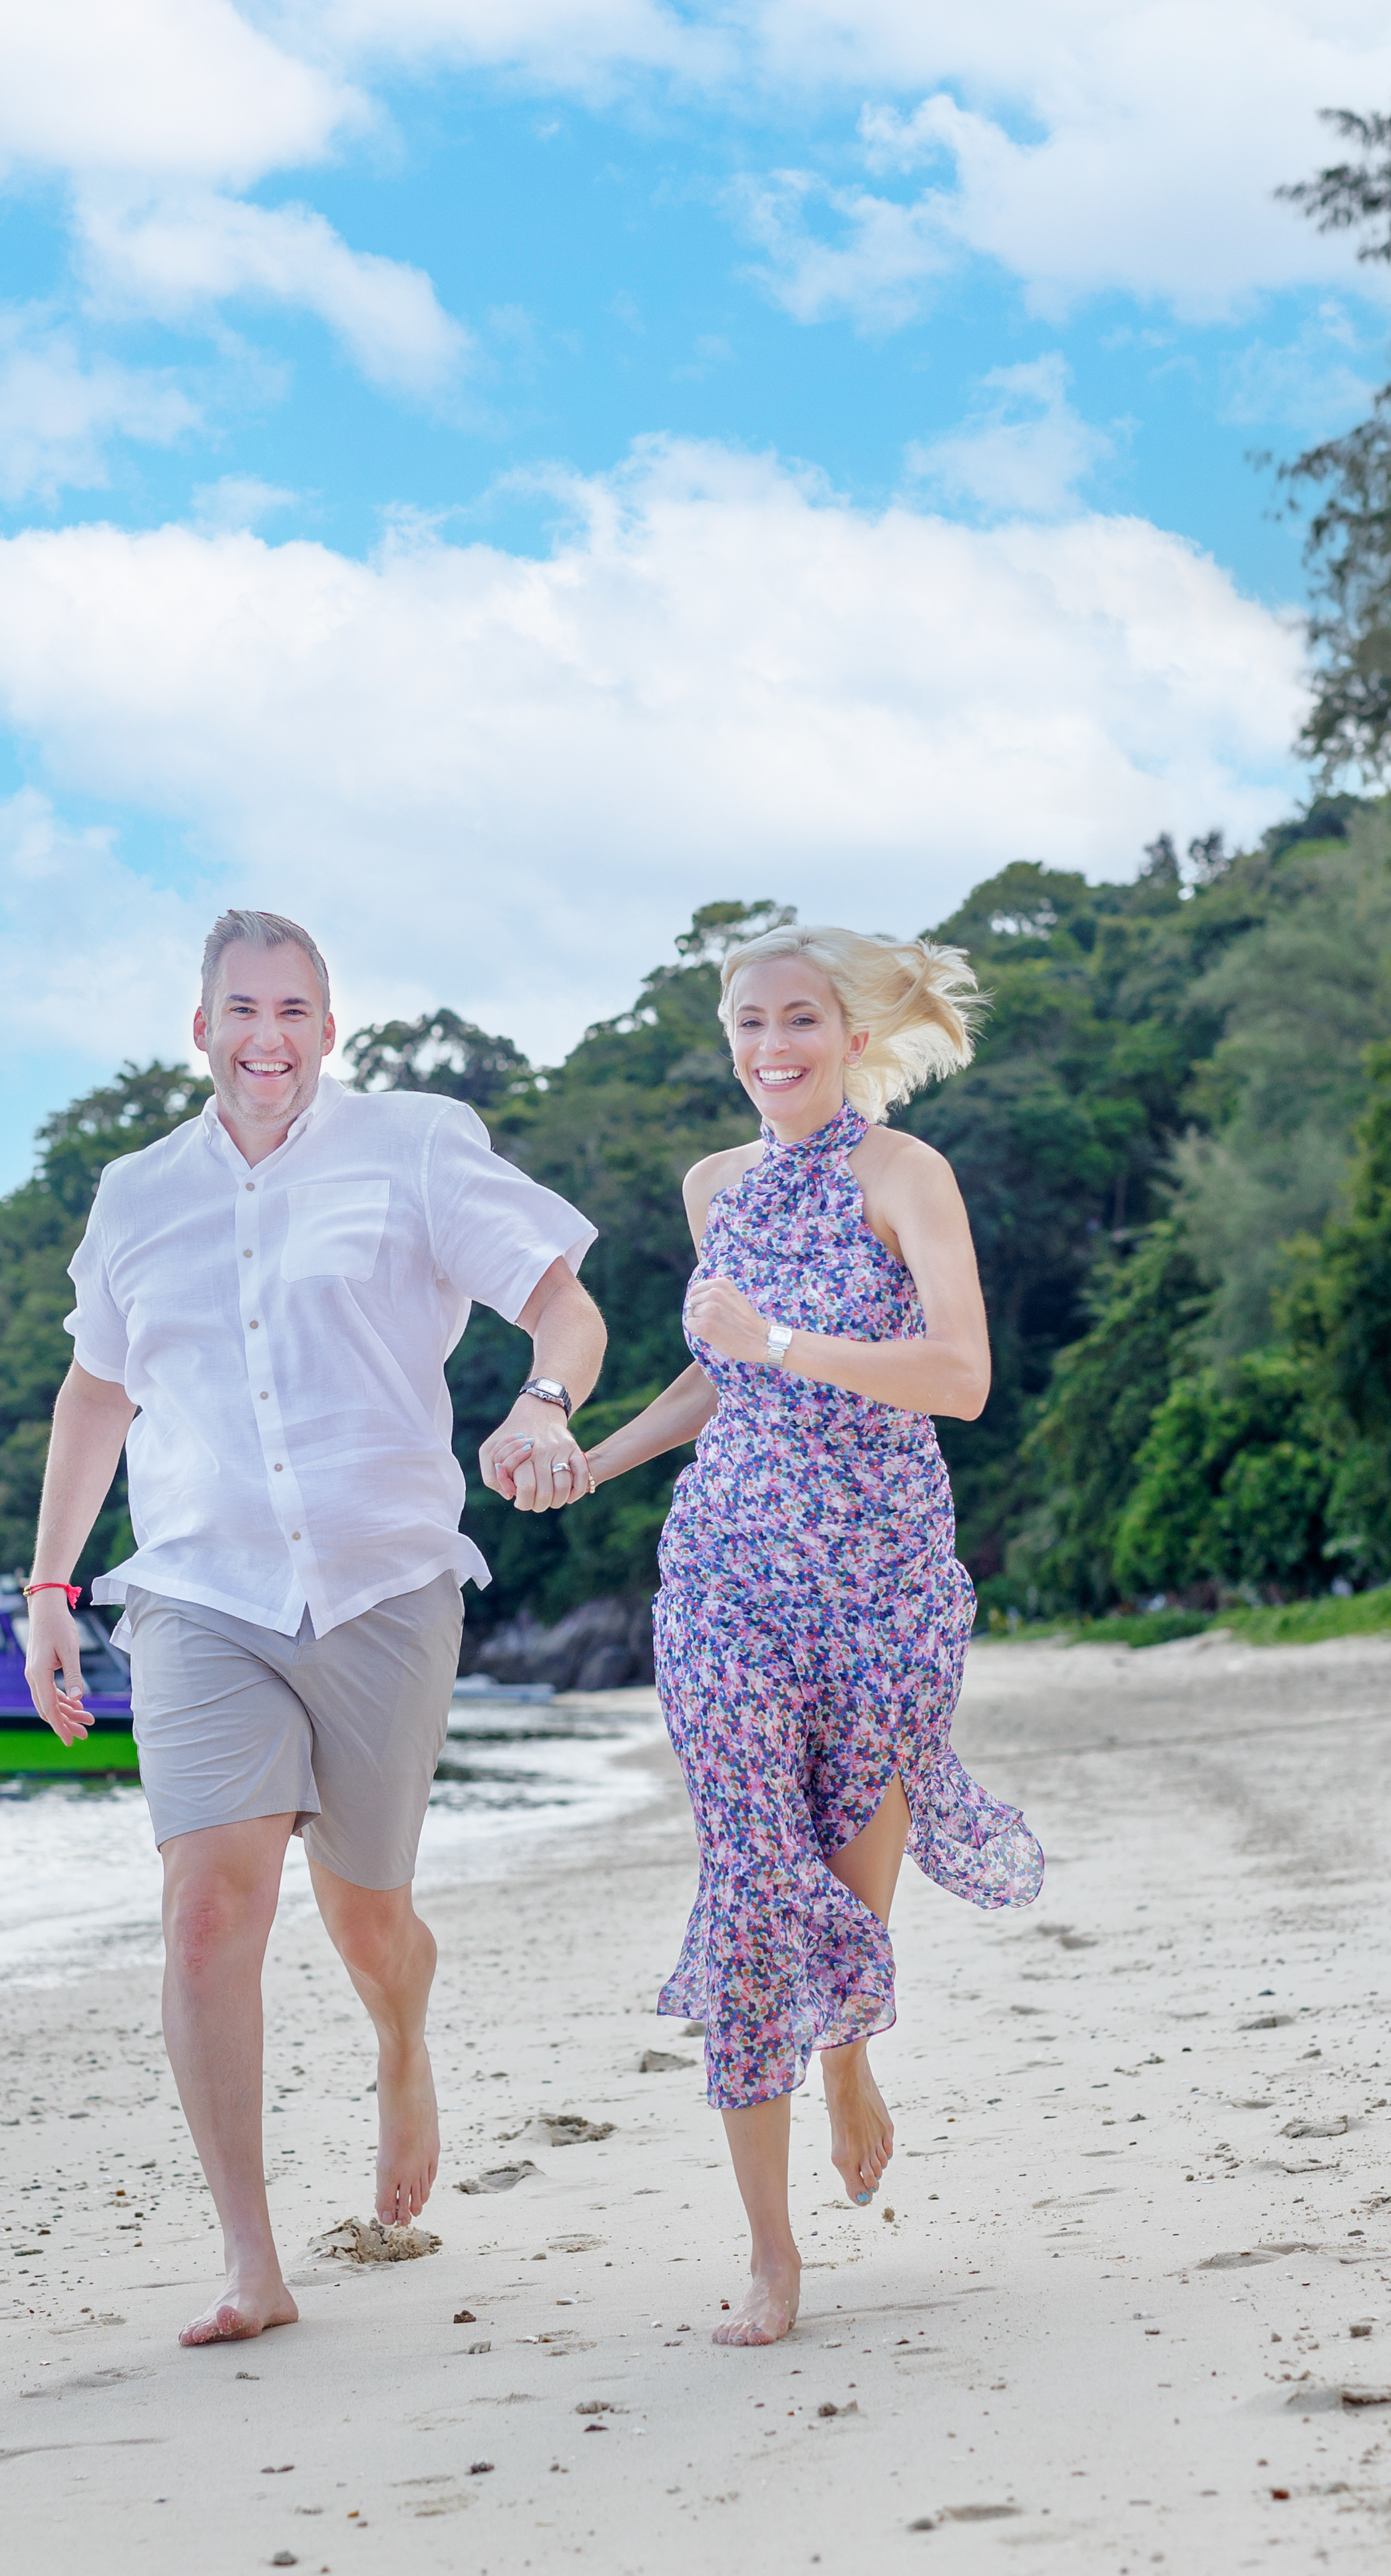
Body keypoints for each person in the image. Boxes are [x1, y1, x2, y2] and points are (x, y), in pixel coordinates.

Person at [18, 907, 608, 2349]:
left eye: (292, 1010)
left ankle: (401, 2041)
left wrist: (543, 1405)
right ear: (200, 1027)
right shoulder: (135, 1197)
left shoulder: (414, 1147)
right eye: (241, 1009)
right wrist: (48, 1589)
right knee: (208, 1908)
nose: (266, 1037)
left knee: (364, 1913)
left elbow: (563, 1306)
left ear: (329, 1029)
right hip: (200, 1591)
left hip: (383, 1584)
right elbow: (97, 1393)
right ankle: (250, 2261)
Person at [544, 921, 1044, 2347]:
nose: (771, 1047)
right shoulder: (714, 1187)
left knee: (849, 1885)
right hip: (727, 1573)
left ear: (853, 1035)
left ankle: (848, 2057)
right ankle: (771, 2254)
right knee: (754, 1883)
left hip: (880, 1576)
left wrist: (779, 1340)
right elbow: (719, 1376)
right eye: (748, 1025)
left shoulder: (905, 1174)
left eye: (799, 1021)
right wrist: (596, 1458)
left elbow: (959, 1376)